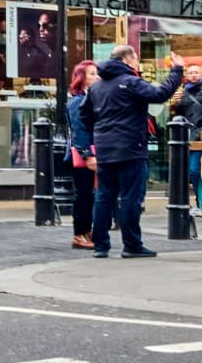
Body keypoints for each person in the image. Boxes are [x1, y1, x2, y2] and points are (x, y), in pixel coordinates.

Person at [82, 45, 183, 259]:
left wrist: (100, 133)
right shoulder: (131, 82)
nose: (137, 63)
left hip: (105, 149)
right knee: (130, 197)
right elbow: (160, 94)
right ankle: (132, 244)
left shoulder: (96, 87)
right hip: (130, 148)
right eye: (136, 59)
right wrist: (176, 71)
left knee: (103, 196)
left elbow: (84, 115)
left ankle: (101, 246)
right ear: (127, 59)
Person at [67, 61, 100, 250]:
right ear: (82, 78)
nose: (97, 77)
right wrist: (88, 155)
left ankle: (87, 231)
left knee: (89, 195)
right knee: (83, 195)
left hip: (92, 152)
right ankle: (79, 234)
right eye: (92, 74)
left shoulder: (89, 98)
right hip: (84, 155)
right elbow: (79, 132)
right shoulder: (77, 101)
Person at [173, 64, 202, 204]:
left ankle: (201, 200)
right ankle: (199, 199)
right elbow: (180, 114)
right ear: (186, 75)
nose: (193, 75)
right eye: (191, 73)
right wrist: (176, 103)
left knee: (193, 169)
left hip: (200, 134)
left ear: (201, 74)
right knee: (187, 170)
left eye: (196, 72)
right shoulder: (183, 91)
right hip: (185, 135)